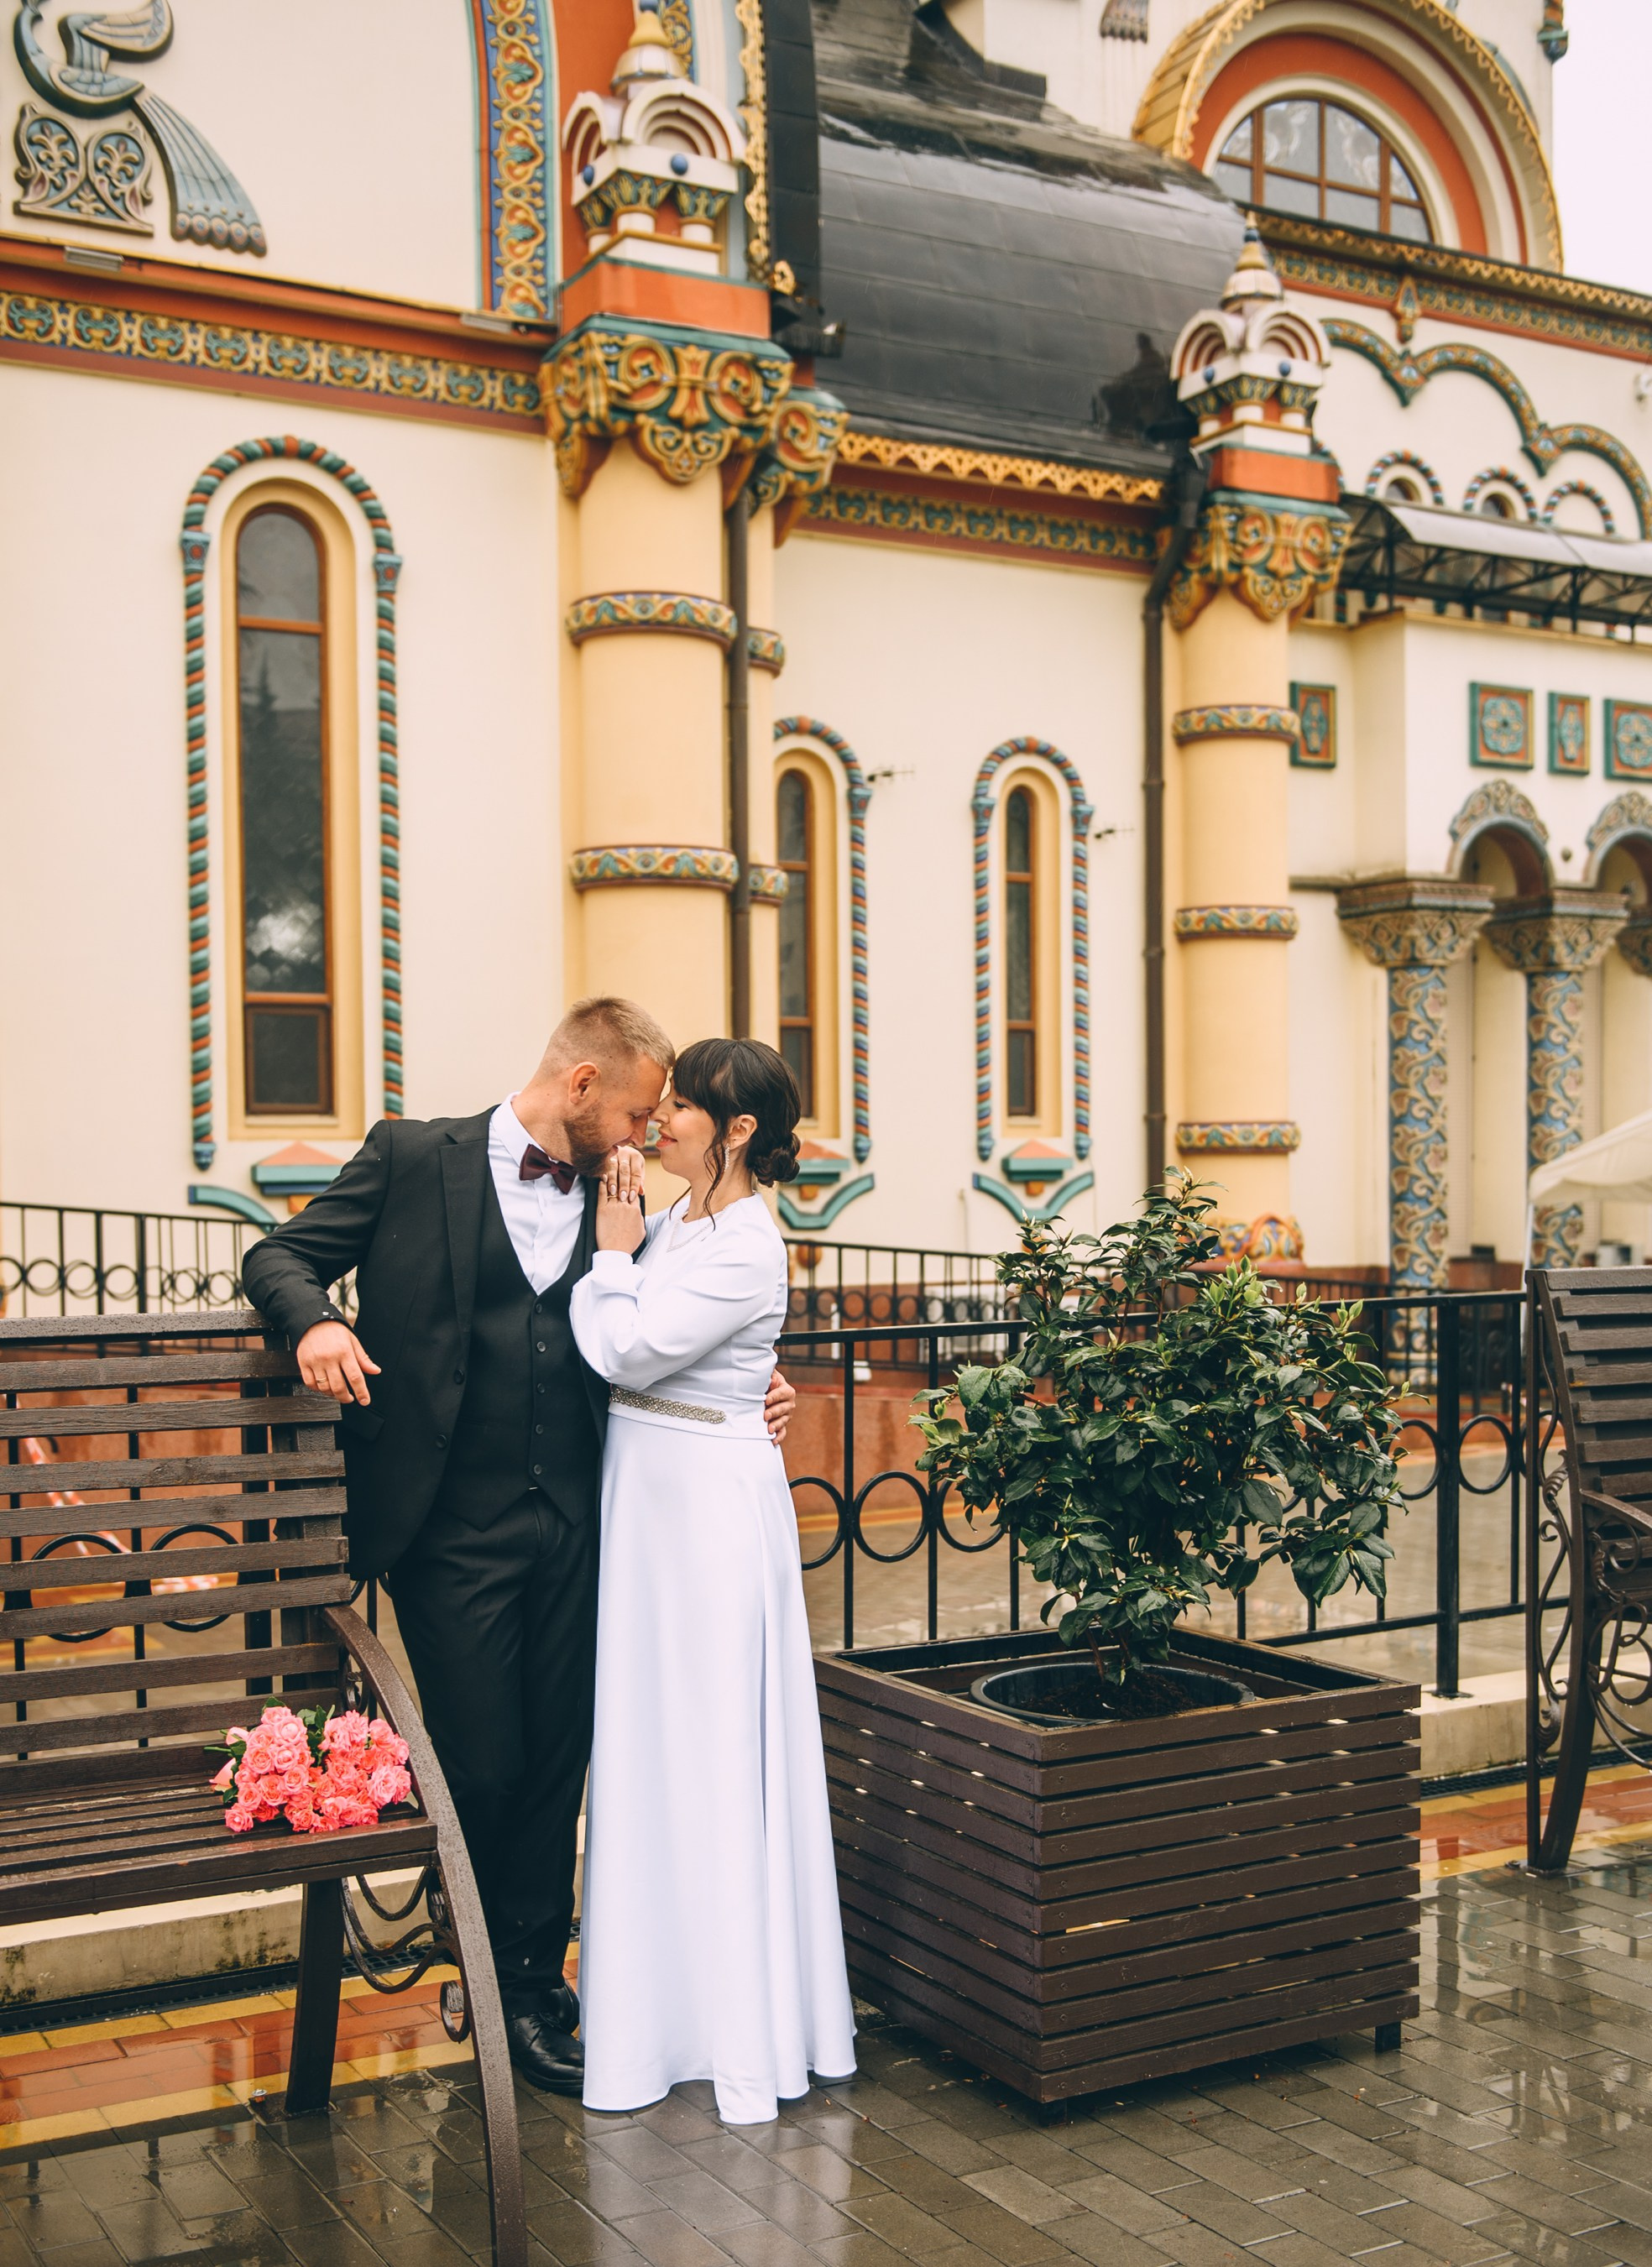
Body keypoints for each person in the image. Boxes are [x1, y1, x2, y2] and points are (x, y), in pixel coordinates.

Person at [240, 999, 797, 2096]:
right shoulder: (411, 1156)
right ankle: (486, 1975)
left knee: (557, 1764)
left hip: (592, 1522)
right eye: (640, 1109)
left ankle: (533, 1992)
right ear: (584, 1087)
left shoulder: (621, 1191)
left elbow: (683, 1305)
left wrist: (749, 1385)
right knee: (484, 1765)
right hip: (450, 1531)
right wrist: (314, 1320)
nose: (647, 1134)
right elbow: (282, 1251)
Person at [571, 1036, 856, 2124]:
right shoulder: (685, 1220)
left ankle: (733, 2030)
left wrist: (609, 1253)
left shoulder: (745, 1241)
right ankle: (653, 2016)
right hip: (651, 1493)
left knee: (712, 1750)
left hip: (704, 1512)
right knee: (651, 1751)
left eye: (685, 1106)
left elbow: (630, 1353)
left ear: (737, 1131)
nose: (663, 1119)